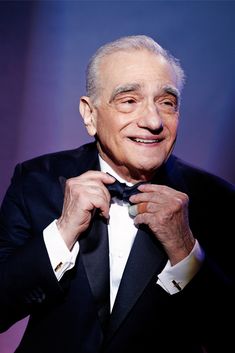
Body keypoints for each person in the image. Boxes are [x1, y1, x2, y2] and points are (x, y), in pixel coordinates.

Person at [0, 35, 234, 353]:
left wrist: (185, 252)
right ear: (90, 115)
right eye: (129, 101)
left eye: (167, 103)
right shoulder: (36, 181)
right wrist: (61, 232)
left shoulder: (216, 199)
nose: (153, 121)